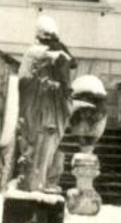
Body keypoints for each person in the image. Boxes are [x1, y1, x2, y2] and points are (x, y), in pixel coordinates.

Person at [16, 15, 77, 193]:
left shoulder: (46, 55)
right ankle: (36, 184)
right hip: (38, 113)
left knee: (48, 150)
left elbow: (68, 63)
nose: (50, 40)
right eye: (48, 36)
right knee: (38, 148)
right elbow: (28, 79)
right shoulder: (34, 53)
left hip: (49, 113)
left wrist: (58, 86)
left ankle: (40, 182)